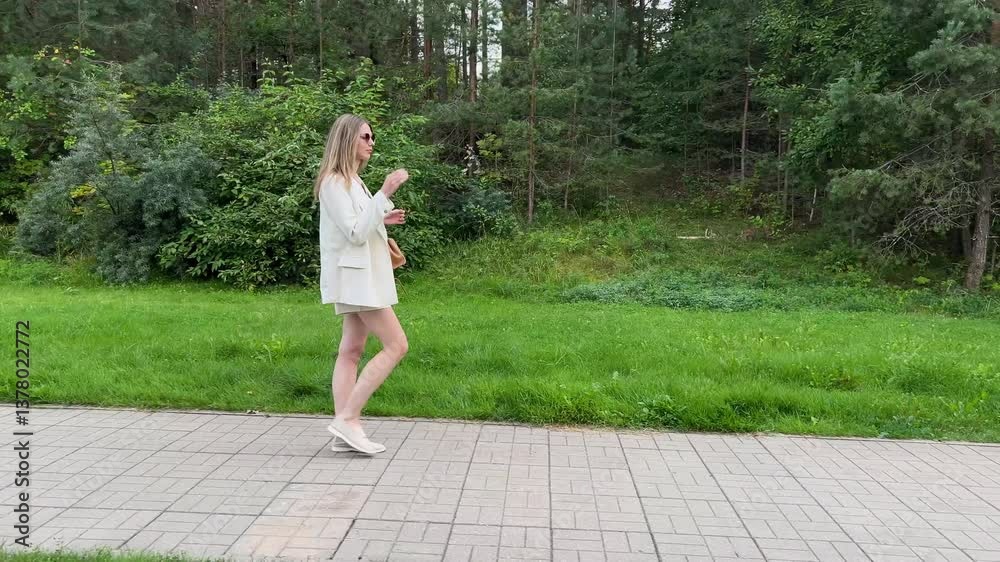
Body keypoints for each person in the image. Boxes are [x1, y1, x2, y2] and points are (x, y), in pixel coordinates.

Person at [314, 113, 409, 455]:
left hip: (360, 278)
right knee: (397, 345)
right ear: (346, 140)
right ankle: (348, 418)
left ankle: (344, 432)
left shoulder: (353, 181)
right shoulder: (333, 182)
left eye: (372, 137)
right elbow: (355, 233)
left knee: (351, 351)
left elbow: (359, 223)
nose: (371, 143)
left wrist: (382, 218)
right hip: (356, 280)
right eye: (365, 137)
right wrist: (385, 192)